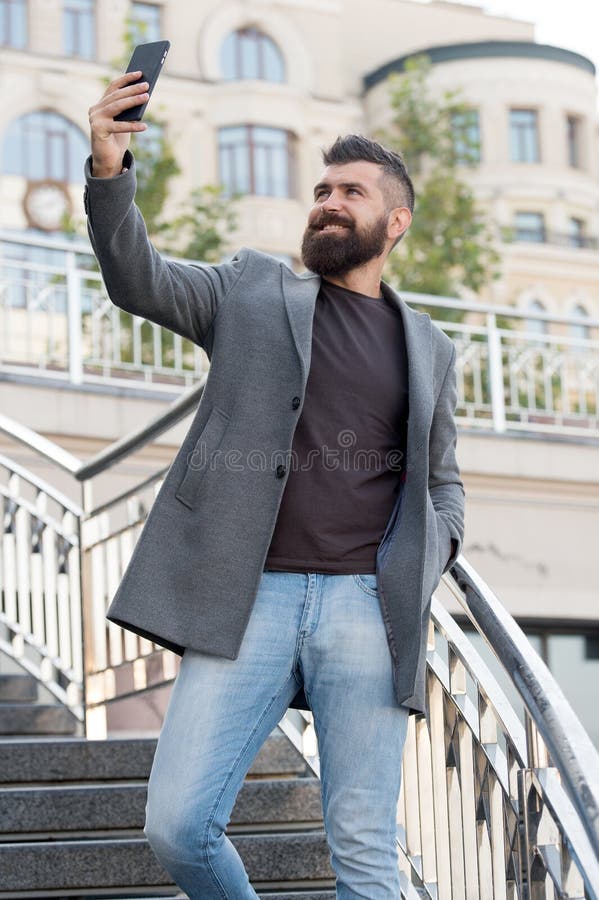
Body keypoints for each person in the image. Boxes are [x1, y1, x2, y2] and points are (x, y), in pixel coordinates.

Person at [86, 71, 465, 899]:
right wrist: (110, 172)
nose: (329, 201)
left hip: (365, 608)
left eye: (351, 192)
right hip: (244, 600)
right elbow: (138, 277)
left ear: (393, 221)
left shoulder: (429, 345)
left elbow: (442, 483)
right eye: (322, 189)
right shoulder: (251, 287)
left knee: (364, 847)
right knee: (177, 825)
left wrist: (430, 555)